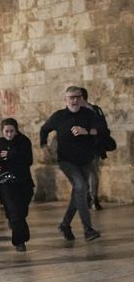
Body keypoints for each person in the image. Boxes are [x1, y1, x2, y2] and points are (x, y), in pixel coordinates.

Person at [40, 86, 102, 241]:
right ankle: (88, 229)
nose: (74, 100)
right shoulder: (59, 116)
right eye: (71, 97)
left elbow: (99, 131)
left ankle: (65, 224)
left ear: (81, 98)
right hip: (67, 161)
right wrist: (43, 145)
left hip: (86, 160)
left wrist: (85, 131)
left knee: (78, 192)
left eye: (77, 97)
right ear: (65, 100)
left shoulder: (89, 114)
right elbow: (44, 129)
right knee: (81, 187)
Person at [0, 119, 34, 251]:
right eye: (6, 131)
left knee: (21, 212)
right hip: (6, 183)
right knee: (15, 212)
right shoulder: (0, 143)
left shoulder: (24, 141)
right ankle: (19, 242)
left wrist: (11, 154)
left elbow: (28, 160)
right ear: (2, 131)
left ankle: (18, 229)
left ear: (16, 130)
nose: (9, 134)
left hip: (23, 182)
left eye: (11, 131)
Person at [81, 87, 113, 211]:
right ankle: (89, 198)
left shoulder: (94, 110)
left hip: (92, 147)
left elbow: (101, 128)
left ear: (82, 98)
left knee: (92, 173)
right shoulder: (79, 112)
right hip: (81, 148)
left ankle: (93, 198)